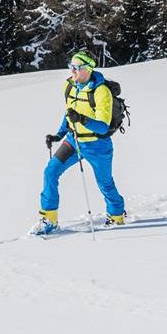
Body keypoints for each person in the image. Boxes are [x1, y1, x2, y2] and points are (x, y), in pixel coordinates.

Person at [33, 51, 126, 235]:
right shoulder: (69, 86)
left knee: (105, 183)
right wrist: (58, 135)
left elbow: (103, 127)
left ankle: (116, 215)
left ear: (88, 69)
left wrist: (83, 119)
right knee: (50, 172)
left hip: (98, 145)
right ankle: (49, 219)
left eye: (77, 67)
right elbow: (68, 113)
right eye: (71, 66)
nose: (72, 70)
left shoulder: (101, 92)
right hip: (73, 141)